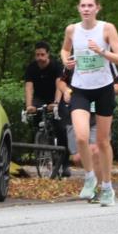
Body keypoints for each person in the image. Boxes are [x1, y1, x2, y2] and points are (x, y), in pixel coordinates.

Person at [60, 0, 118, 207]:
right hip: (80, 89)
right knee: (81, 137)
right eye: (83, 5)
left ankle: (107, 187)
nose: (86, 9)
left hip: (104, 89)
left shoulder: (107, 29)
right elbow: (65, 49)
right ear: (78, 8)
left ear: (97, 8)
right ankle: (89, 178)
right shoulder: (72, 30)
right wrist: (66, 61)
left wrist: (102, 52)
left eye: (90, 5)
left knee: (102, 142)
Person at [24, 41, 68, 176]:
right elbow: (29, 87)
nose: (40, 58)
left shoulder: (56, 66)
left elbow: (59, 85)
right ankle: (42, 147)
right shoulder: (31, 68)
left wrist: (56, 102)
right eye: (37, 55)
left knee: (61, 128)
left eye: (42, 55)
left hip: (55, 97)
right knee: (35, 119)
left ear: (48, 54)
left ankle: (65, 164)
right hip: (40, 99)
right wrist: (29, 105)